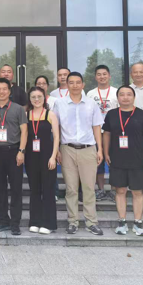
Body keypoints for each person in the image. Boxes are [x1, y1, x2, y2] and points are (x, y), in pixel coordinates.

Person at [53, 72, 105, 236]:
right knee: (71, 188)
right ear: (66, 85)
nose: (75, 85)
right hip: (67, 149)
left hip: (88, 149)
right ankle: (72, 221)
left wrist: (100, 149)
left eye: (78, 82)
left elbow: (96, 127)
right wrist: (57, 149)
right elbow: (56, 128)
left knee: (89, 188)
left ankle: (91, 222)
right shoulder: (59, 103)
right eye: (71, 82)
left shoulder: (91, 104)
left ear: (83, 85)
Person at [103, 86, 143, 237]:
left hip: (138, 159)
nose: (125, 97)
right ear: (117, 97)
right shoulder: (112, 114)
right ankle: (122, 222)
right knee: (120, 191)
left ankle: (138, 223)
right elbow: (106, 134)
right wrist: (106, 152)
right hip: (117, 158)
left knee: (138, 191)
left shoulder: (142, 115)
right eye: (122, 95)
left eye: (129, 94)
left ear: (134, 97)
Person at [0, 78, 27, 236]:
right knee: (0, 188)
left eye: (4, 89)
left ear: (9, 91)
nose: (1, 92)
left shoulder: (18, 109)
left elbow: (24, 131)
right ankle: (3, 220)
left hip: (14, 151)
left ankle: (15, 223)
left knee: (16, 188)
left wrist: (21, 151)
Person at [24, 86, 60, 234]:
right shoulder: (26, 115)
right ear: (29, 99)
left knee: (48, 189)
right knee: (34, 189)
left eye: (39, 96)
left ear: (44, 98)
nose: (36, 99)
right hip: (31, 157)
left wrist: (53, 156)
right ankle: (35, 221)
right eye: (33, 97)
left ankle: (48, 223)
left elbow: (56, 137)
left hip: (47, 156)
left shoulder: (50, 114)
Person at [86, 65, 119, 202]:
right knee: (97, 162)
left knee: (114, 162)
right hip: (96, 132)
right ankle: (100, 189)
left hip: (114, 132)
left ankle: (113, 190)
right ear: (95, 77)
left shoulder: (116, 92)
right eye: (99, 74)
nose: (102, 77)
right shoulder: (90, 94)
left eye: (104, 74)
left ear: (109, 76)